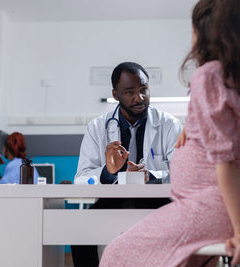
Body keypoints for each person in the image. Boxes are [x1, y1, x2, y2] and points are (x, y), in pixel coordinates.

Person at [99, 0, 240, 266]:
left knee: (114, 253)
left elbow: (227, 163)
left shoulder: (209, 76)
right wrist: (194, 128)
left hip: (211, 211)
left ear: (202, 33)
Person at [71, 62, 182, 267]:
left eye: (144, 90)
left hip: (156, 201)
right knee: (80, 232)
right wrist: (108, 172)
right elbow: (81, 179)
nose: (139, 98)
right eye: (130, 92)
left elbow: (182, 173)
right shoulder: (97, 128)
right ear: (115, 94)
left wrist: (152, 175)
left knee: (180, 229)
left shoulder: (169, 124)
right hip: (113, 200)